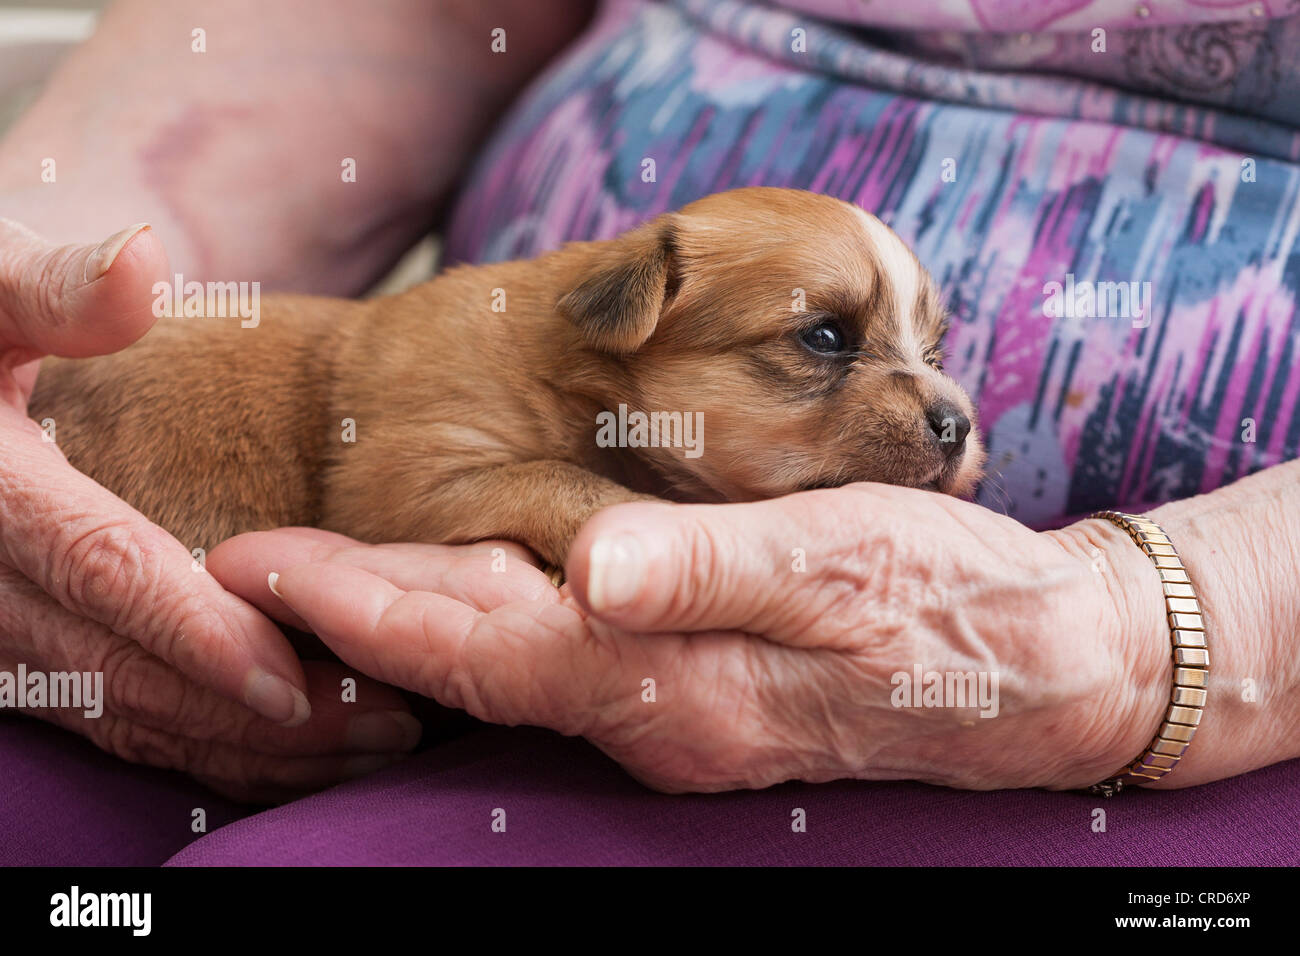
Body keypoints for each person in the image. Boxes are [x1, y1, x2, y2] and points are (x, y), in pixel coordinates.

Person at [1, 0, 1297, 856]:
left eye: (932, 360)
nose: (944, 411)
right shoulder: (492, 360)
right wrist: (48, 283)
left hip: (1171, 722)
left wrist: (1149, 632)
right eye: (827, 344)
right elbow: (399, 491)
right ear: (630, 319)